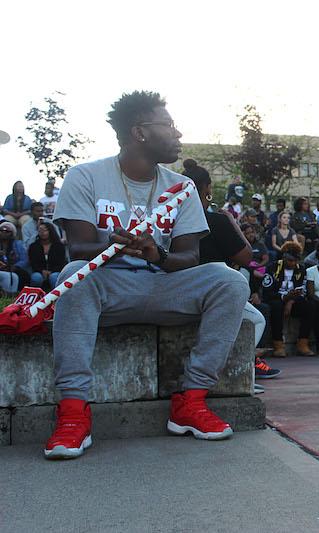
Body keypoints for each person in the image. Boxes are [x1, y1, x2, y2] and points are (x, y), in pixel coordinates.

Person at [46, 91, 250, 459]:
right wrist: (118, 244)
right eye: (169, 125)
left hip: (163, 283)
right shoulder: (85, 176)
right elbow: (78, 247)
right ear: (140, 132)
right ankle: (74, 412)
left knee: (231, 280)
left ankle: (190, 401)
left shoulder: (182, 186)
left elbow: (189, 256)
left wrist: (158, 253)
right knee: (73, 274)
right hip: (109, 286)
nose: (178, 134)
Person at [182, 160, 279, 382]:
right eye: (208, 192)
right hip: (210, 292)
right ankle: (236, 372)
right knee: (256, 319)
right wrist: (232, 222)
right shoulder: (215, 220)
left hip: (177, 289)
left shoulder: (172, 219)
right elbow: (246, 257)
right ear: (206, 190)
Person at [263, 242, 315, 357]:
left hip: (294, 299)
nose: (293, 263)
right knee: (276, 307)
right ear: (284, 257)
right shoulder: (272, 267)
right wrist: (284, 298)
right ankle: (278, 345)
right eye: (290, 260)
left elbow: (302, 290)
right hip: (276, 298)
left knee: (310, 307)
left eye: (296, 260)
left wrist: (290, 301)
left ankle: (303, 343)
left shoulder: (301, 270)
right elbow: (267, 292)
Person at [28, 221, 67, 290]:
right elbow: (32, 263)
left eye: (45, 230)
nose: (42, 232)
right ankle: (35, 297)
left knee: (54, 277)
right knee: (36, 278)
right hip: (39, 271)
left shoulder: (59, 246)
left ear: (50, 231)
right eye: (40, 230)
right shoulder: (33, 246)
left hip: (55, 271)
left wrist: (51, 271)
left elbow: (62, 262)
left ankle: (56, 298)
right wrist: (41, 271)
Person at [0, 221, 30, 293]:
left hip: (13, 267)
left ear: (12, 233)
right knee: (7, 276)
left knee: (18, 275)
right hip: (1, 267)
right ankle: (6, 295)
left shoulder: (18, 244)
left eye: (7, 231)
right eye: (1, 231)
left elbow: (24, 260)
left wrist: (15, 266)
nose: (3, 233)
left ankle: (13, 294)